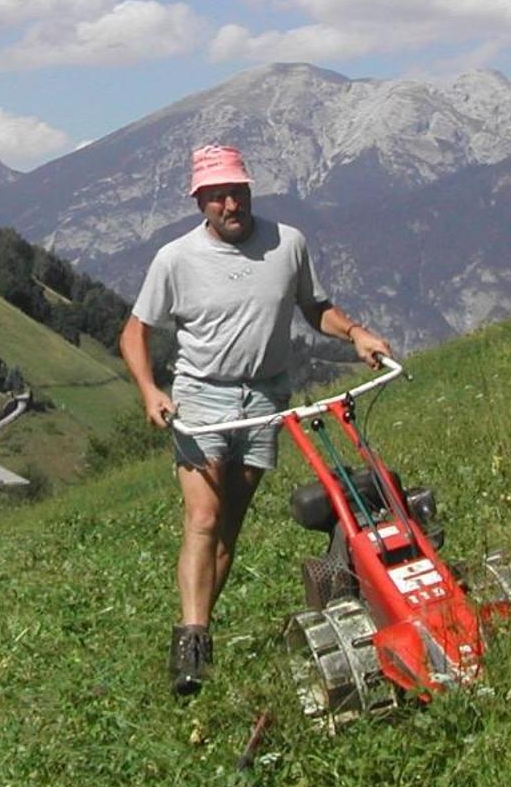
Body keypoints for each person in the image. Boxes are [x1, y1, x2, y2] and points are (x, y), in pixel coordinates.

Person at [118, 143, 394, 696]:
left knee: (228, 530)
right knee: (202, 517)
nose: (229, 204)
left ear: (249, 192)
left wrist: (357, 333)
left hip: (265, 399)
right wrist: (150, 391)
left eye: (237, 192)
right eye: (217, 195)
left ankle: (202, 629)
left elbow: (315, 307)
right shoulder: (176, 258)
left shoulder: (287, 243)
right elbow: (135, 333)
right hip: (201, 396)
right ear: (200, 201)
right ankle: (190, 646)